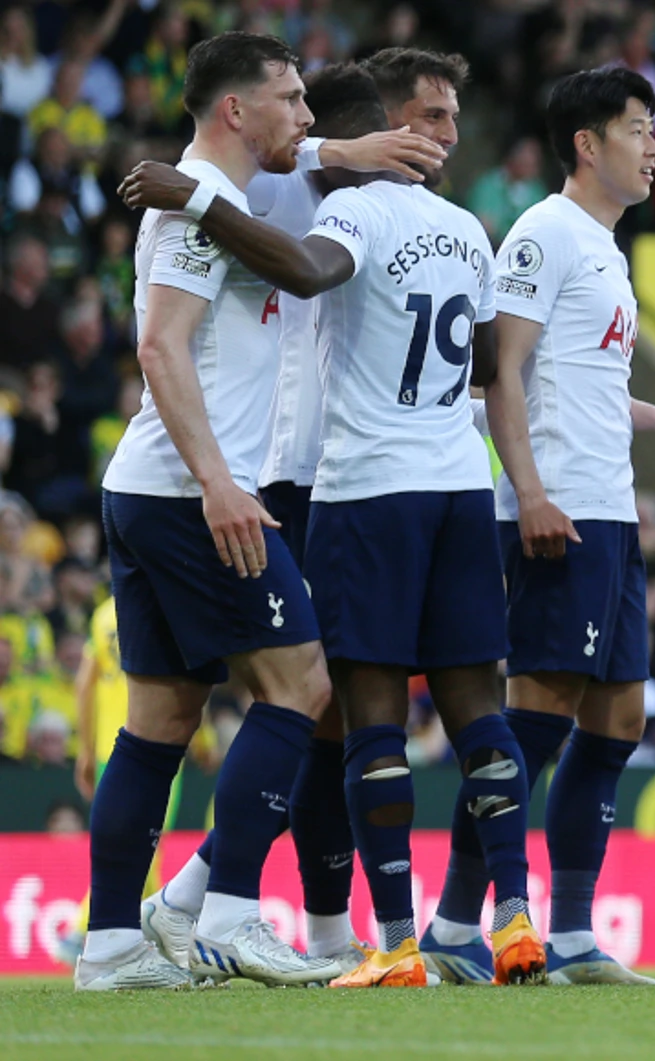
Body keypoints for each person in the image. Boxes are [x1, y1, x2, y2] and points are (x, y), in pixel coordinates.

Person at [137, 48, 539, 990]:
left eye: (449, 120)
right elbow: (486, 362)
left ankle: (296, 917)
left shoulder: (342, 209)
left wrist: (199, 203)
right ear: (383, 125)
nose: (443, 136)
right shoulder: (396, 208)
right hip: (361, 478)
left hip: (360, 483)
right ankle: (314, 917)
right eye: (429, 118)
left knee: (344, 715)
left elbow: (315, 273)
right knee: (349, 711)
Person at [421, 66, 655, 988]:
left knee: (621, 714)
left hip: (610, 509)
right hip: (559, 512)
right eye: (638, 128)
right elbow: (502, 371)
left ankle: (578, 932)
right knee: (537, 721)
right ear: (588, 144)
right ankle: (455, 921)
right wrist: (531, 489)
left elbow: (576, 379)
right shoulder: (545, 234)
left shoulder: (605, 246)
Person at [78, 32, 339, 992]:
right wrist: (223, 482)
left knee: (160, 720)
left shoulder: (217, 201)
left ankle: (111, 944)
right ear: (236, 109)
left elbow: (312, 161)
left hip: (146, 488)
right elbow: (160, 348)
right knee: (302, 685)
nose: (304, 116)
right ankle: (230, 912)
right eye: (292, 97)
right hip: (193, 491)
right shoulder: (192, 212)